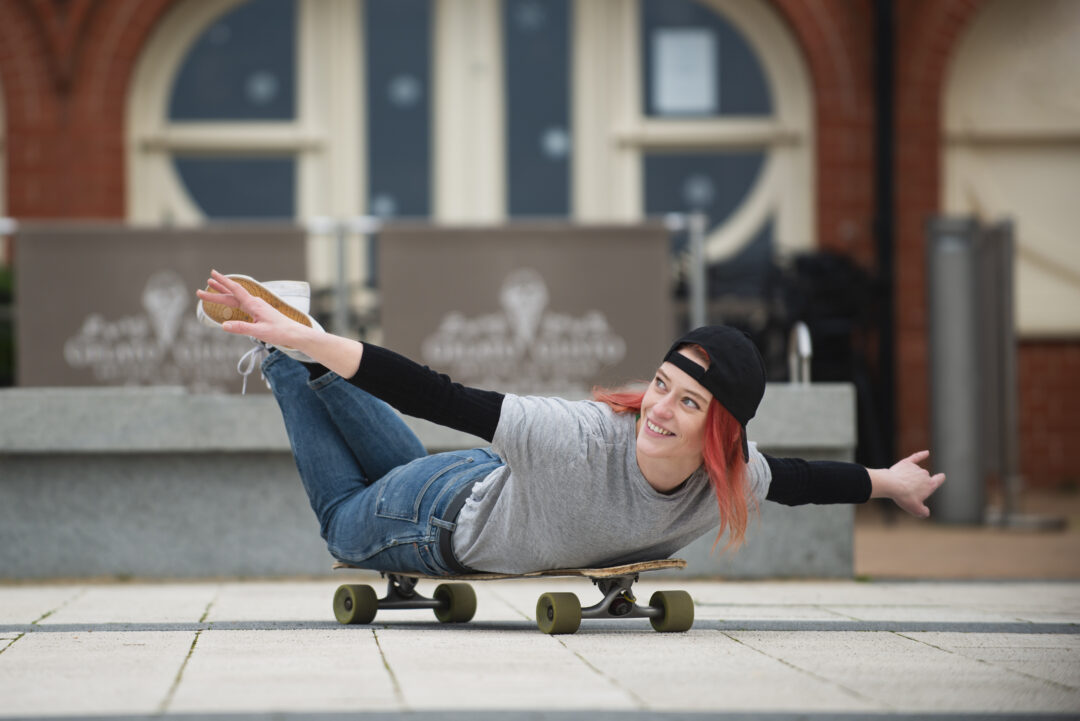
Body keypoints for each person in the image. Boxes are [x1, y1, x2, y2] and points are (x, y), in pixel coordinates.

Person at [196, 270, 945, 576]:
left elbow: (808, 481)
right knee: (340, 527)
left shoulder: (737, 474)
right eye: (661, 384)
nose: (658, 408)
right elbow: (439, 395)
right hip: (434, 522)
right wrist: (311, 340)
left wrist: (893, 482)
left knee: (393, 472)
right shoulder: (575, 434)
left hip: (483, 489)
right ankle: (287, 354)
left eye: (688, 402)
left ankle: (300, 343)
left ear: (723, 431)